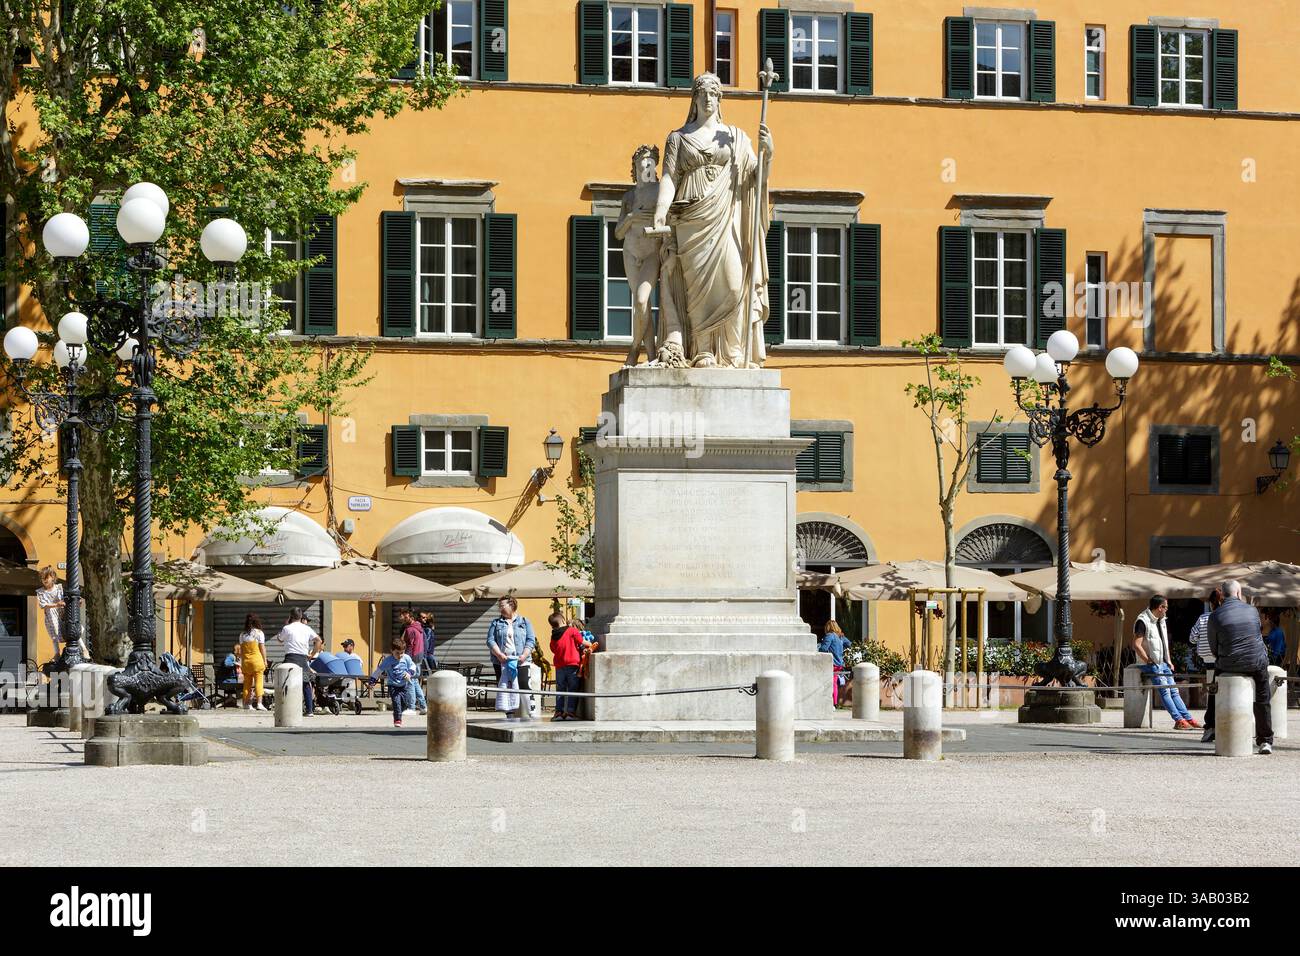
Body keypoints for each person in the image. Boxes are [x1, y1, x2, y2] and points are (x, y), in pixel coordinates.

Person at [1208, 580, 1274, 754]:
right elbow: (1256, 634)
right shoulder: (1252, 611)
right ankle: (1265, 740)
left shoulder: (1214, 615)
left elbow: (1213, 647)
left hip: (1228, 662)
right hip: (1256, 661)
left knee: (1214, 685)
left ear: (1222, 595)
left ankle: (1210, 727)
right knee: (1262, 697)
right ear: (1239, 593)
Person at [1132, 594, 1199, 730]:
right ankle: (1179, 720)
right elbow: (1136, 644)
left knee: (1174, 691)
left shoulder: (1160, 620)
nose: (1167, 610)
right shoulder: (1142, 621)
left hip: (1162, 662)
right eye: (1166, 607)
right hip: (1151, 664)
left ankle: (1188, 718)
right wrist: (1148, 660)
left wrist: (1168, 661)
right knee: (1165, 692)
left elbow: (1163, 643)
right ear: (1160, 607)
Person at [486, 597, 535, 714]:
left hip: (521, 659)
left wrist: (524, 655)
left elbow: (530, 640)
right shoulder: (496, 623)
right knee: (505, 687)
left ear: (511, 605)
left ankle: (531, 712)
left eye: (502, 606)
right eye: (499, 606)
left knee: (524, 684)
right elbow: (490, 640)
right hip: (502, 661)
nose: (500, 609)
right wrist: (499, 654)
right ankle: (509, 714)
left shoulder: (524, 621)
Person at [271, 608, 321, 717]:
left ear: (290, 616)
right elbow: (319, 640)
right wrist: (312, 654)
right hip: (303, 658)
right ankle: (309, 710)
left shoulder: (287, 628)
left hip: (290, 658)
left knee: (285, 683)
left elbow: (280, 640)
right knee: (306, 684)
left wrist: (286, 625)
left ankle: (283, 709)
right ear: (301, 616)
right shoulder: (307, 628)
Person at [1189, 588, 1223, 741]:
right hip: (1223, 660)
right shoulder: (1224, 617)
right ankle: (1215, 727)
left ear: (1210, 604)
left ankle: (1210, 727)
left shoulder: (1203, 618)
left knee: (1212, 695)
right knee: (1219, 696)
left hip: (1208, 661)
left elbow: (1192, 638)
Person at [368, 637, 419, 728]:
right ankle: (397, 719)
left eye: (402, 653)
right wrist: (372, 681)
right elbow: (378, 671)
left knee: (403, 703)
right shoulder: (387, 660)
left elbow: (413, 666)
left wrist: (409, 673)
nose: (400, 655)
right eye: (397, 653)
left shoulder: (406, 658)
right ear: (392, 651)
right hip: (393, 685)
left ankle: (400, 711)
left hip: (404, 685)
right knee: (396, 702)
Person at [549, 611, 587, 721]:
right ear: (563, 620)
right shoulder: (572, 631)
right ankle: (570, 713)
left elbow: (552, 649)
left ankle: (559, 713)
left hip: (559, 665)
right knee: (572, 689)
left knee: (560, 689)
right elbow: (581, 641)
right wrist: (590, 644)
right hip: (572, 664)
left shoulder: (553, 636)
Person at [398, 610, 428, 715]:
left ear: (411, 618)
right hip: (418, 657)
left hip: (412, 658)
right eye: (403, 617)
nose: (403, 619)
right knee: (415, 682)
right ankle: (423, 706)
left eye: (405, 618)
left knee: (410, 682)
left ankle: (411, 708)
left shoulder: (411, 630)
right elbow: (425, 643)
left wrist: (405, 659)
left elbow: (410, 646)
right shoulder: (419, 627)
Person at [237, 613, 268, 711]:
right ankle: (259, 703)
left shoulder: (242, 634)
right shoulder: (259, 633)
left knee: (247, 684)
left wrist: (242, 662)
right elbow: (262, 648)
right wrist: (265, 661)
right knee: (259, 682)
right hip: (257, 661)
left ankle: (247, 704)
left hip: (246, 662)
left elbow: (241, 651)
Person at [817, 621, 851, 707]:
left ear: (828, 627)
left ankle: (828, 703)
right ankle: (834, 703)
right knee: (834, 683)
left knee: (827, 683)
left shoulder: (830, 636)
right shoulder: (840, 637)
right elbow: (849, 644)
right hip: (839, 664)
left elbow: (823, 649)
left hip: (831, 663)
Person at [35, 567, 65, 657]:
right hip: (50, 615)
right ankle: (56, 653)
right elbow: (43, 605)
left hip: (62, 613)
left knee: (72, 629)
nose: (44, 580)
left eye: (46, 577)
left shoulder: (59, 588)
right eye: (42, 578)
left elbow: (64, 599)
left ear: (52, 577)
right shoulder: (41, 592)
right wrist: (57, 604)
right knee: (54, 635)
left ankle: (84, 649)